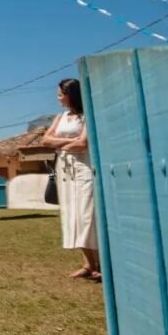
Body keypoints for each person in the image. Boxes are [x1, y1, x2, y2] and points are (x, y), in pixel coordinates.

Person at [42, 78, 99, 280]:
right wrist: (68, 142)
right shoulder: (61, 117)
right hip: (65, 168)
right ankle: (88, 264)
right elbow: (46, 139)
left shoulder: (88, 116)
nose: (58, 98)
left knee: (87, 214)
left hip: (84, 166)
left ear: (70, 95)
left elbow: (83, 144)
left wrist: (61, 144)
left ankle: (99, 263)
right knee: (73, 214)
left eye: (60, 94)